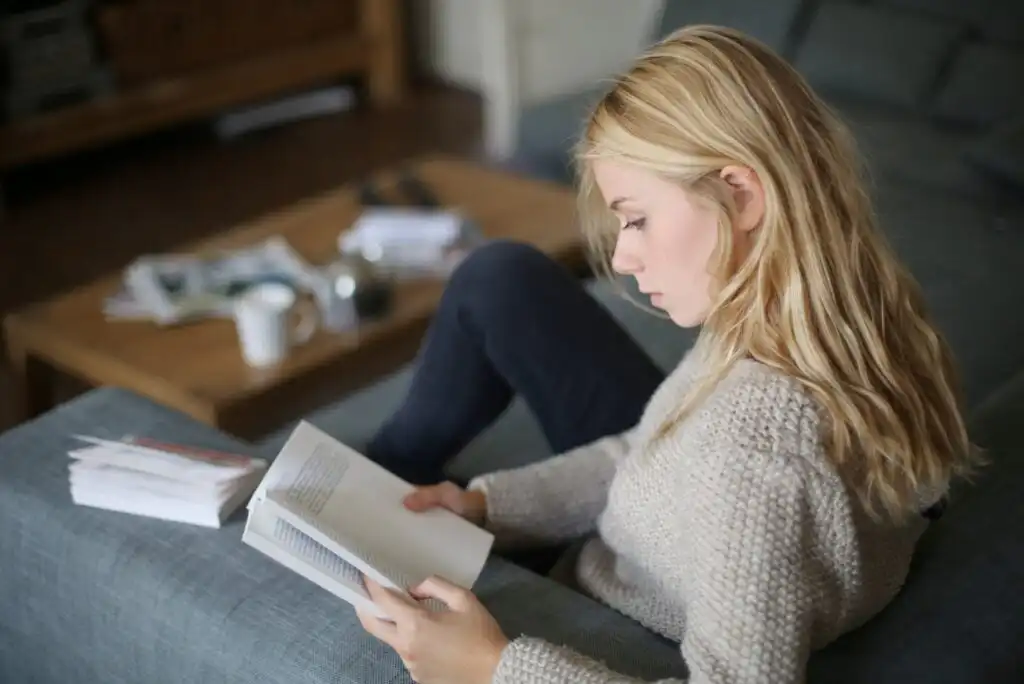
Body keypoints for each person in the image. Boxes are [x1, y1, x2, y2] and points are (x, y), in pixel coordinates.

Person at [353, 24, 981, 684]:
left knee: (496, 283)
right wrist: (485, 507)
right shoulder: (805, 316)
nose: (621, 257)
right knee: (500, 280)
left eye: (637, 217)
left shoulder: (758, 456)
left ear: (741, 193)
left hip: (612, 605)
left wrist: (493, 667)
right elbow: (641, 452)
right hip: (627, 548)